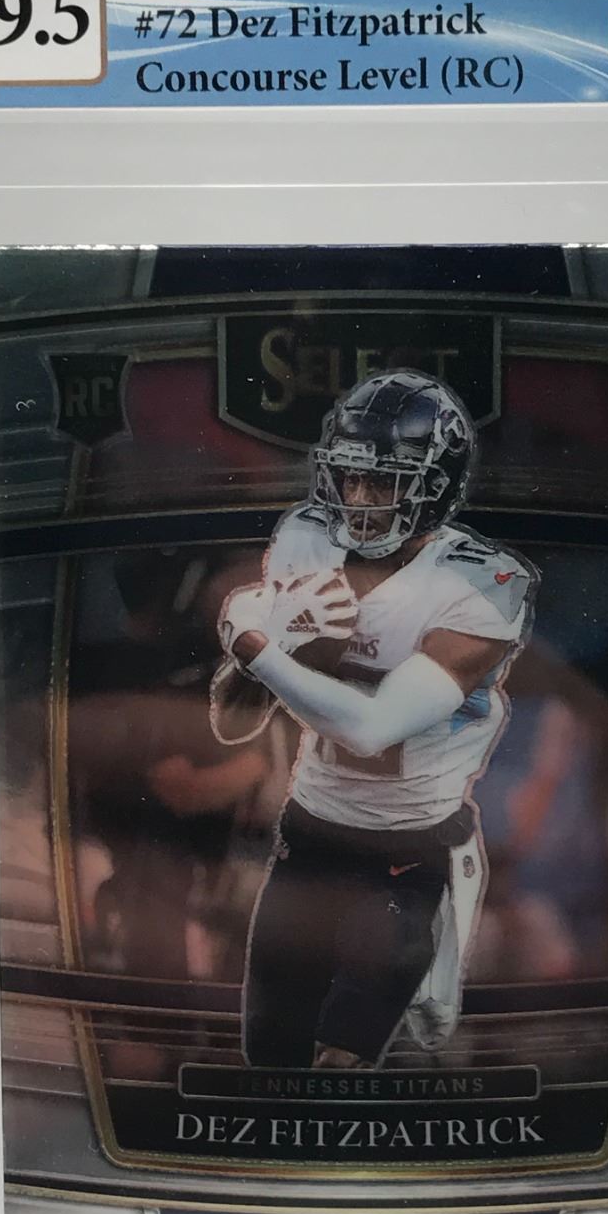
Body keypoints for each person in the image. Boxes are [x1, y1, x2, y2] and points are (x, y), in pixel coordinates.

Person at [209, 368, 538, 1068]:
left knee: (341, 1063)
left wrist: (257, 645)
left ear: (436, 486)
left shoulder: (485, 581)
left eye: (383, 482)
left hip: (408, 850)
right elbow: (233, 723)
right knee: (270, 1061)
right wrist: (270, 643)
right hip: (308, 834)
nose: (358, 500)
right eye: (350, 477)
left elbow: (370, 727)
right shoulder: (306, 536)